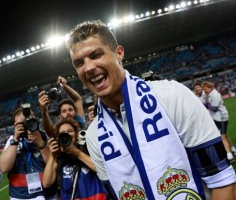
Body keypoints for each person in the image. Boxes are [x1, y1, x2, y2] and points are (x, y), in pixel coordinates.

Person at [65, 20, 236, 200]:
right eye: (79, 63)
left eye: (96, 55)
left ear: (119, 53)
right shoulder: (94, 136)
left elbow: (222, 182)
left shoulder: (172, 96)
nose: (89, 67)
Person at [0, 104, 58, 200]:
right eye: (22, 123)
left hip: (46, 195)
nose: (27, 125)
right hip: (20, 196)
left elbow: (53, 164)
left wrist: (41, 143)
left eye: (29, 120)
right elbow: (4, 168)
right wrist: (16, 139)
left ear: (35, 119)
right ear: (16, 125)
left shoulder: (44, 136)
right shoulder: (12, 140)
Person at [42, 118, 108, 200]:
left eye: (70, 131)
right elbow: (46, 183)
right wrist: (52, 156)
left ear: (76, 135)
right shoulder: (58, 158)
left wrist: (76, 152)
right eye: (63, 133)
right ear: (58, 139)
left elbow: (100, 168)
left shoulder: (87, 150)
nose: (67, 134)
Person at [201, 81, 236, 162]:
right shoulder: (209, 95)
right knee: (224, 135)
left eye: (205, 89)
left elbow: (214, 108)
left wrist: (206, 105)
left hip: (222, 117)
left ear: (210, 88)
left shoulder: (215, 95)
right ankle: (233, 149)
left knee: (222, 136)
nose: (204, 91)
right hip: (216, 118)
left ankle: (229, 154)